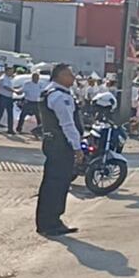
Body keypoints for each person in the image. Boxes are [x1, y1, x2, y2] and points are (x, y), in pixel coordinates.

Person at [35, 63, 83, 236]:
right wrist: (77, 147)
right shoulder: (60, 96)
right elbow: (67, 124)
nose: (73, 77)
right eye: (70, 74)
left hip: (51, 142)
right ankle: (51, 223)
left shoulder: (48, 92)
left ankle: (47, 221)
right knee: (58, 184)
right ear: (60, 76)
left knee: (50, 183)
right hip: (61, 145)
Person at [17, 72, 44, 136]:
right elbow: (22, 90)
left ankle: (39, 131)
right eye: (35, 78)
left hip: (36, 102)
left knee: (39, 117)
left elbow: (42, 93)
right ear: (32, 78)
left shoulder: (40, 84)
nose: (36, 79)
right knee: (22, 116)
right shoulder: (27, 84)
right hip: (28, 102)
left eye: (37, 78)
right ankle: (19, 129)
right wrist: (17, 91)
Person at [0, 67, 18, 134]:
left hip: (9, 97)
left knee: (10, 114)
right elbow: (5, 87)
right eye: (10, 71)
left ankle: (10, 129)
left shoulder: (9, 79)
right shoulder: (3, 78)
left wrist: (15, 89)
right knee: (0, 113)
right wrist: (14, 91)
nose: (12, 73)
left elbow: (10, 87)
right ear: (7, 71)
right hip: (3, 97)